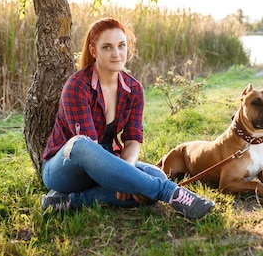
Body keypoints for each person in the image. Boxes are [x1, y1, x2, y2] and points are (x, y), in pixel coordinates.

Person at [40, 17, 215, 220]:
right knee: (81, 144)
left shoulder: (133, 89)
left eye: (121, 46)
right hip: (66, 168)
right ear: (93, 50)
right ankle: (171, 193)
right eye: (107, 47)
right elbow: (90, 151)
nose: (116, 54)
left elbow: (132, 140)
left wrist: (126, 172)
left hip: (109, 162)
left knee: (155, 175)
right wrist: (122, 179)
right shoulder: (77, 86)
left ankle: (69, 201)